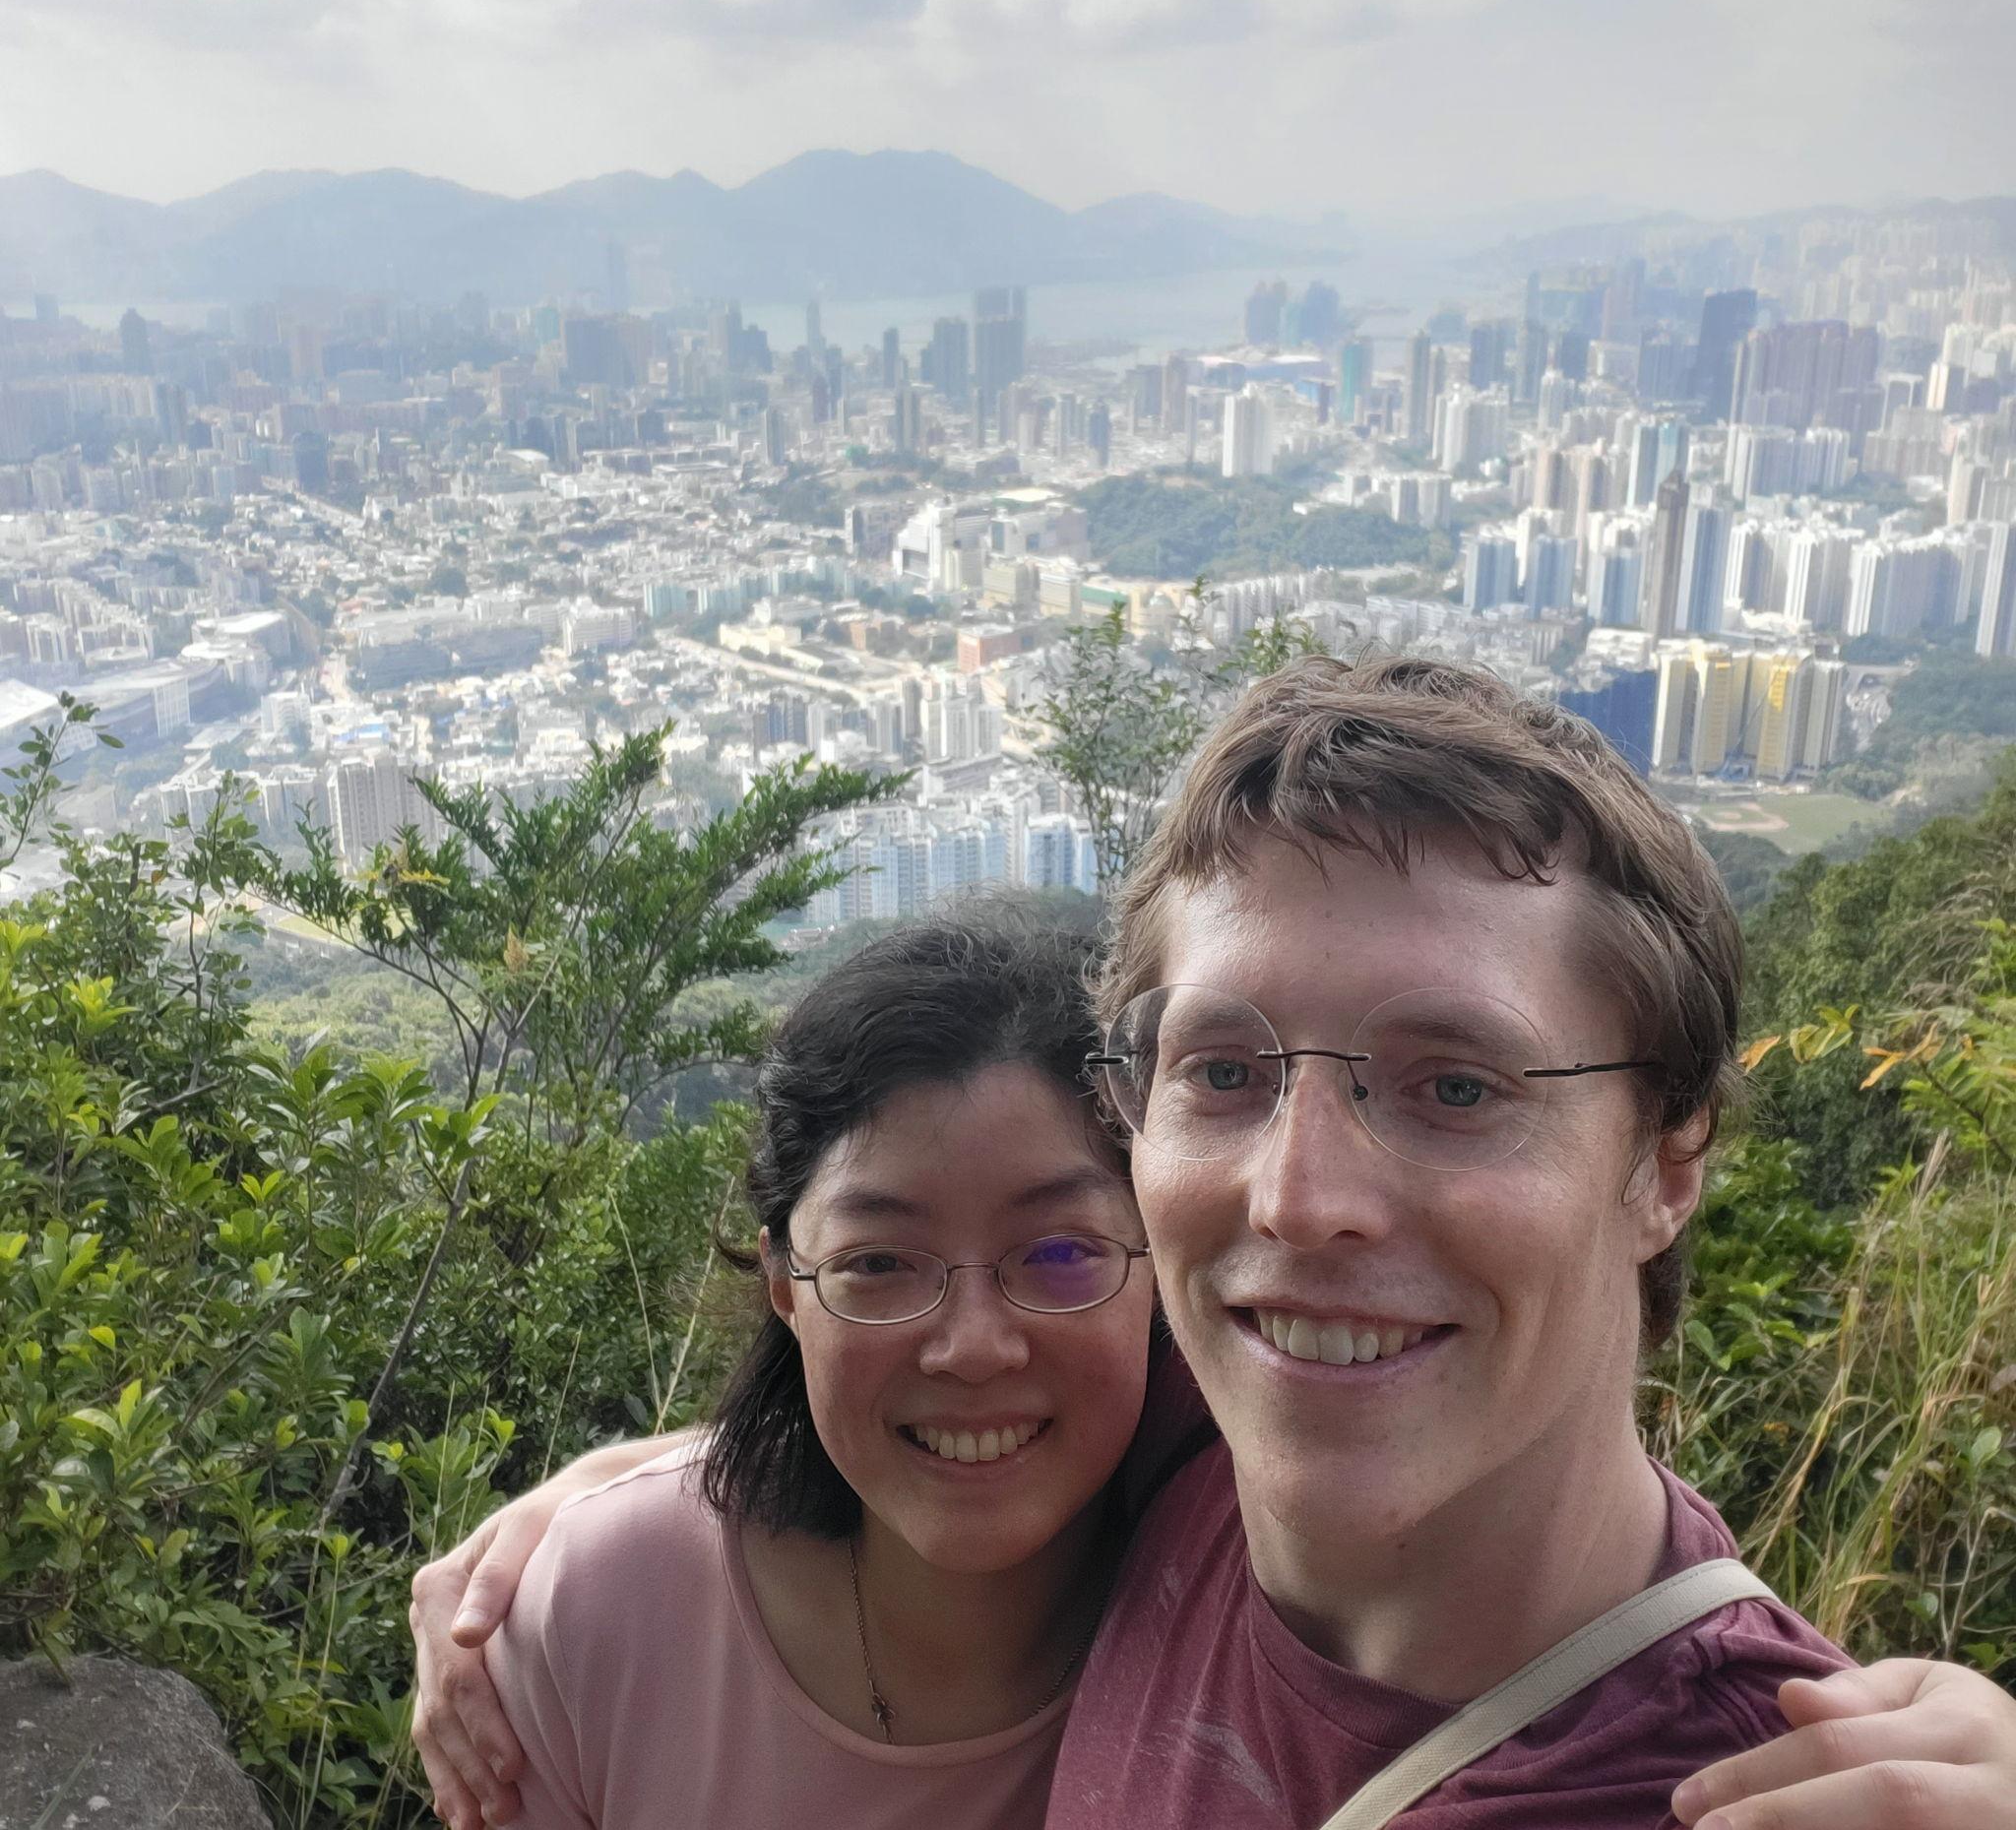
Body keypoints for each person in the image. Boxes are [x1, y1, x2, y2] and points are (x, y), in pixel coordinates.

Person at [412, 659, 2016, 1830]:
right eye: (1225, 1074)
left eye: (1452, 1084)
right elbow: (955, 1388)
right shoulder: (1204, 1449)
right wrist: (587, 1526)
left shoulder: (1770, 1786)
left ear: (1665, 1162)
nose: (1296, 1199)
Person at [468, 914, 1166, 1828]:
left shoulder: (1257, 1618)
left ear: (1164, 1259)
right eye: (877, 1263)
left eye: (1061, 1252)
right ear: (783, 1285)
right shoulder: (606, 1612)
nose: (973, 1346)